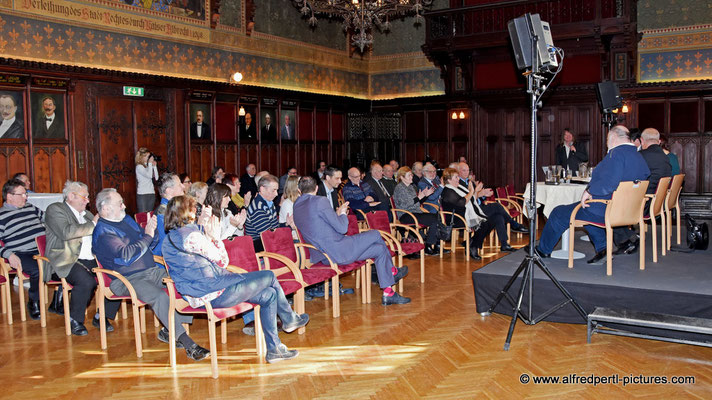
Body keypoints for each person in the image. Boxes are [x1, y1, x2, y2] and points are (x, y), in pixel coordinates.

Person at [161, 195, 308, 363]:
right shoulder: (192, 237)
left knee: (268, 294)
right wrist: (214, 237)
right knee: (269, 275)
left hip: (200, 293)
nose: (199, 213)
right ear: (189, 213)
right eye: (196, 210)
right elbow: (223, 262)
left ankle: (275, 349)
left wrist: (205, 232)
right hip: (213, 293)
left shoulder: (169, 239)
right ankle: (289, 318)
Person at [92, 188, 209, 361]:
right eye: (119, 203)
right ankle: (188, 344)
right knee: (159, 296)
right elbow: (126, 256)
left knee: (184, 280)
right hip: (125, 279)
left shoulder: (125, 219)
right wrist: (147, 236)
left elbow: (146, 242)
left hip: (150, 271)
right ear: (106, 208)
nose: (124, 205)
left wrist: (152, 233)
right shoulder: (103, 232)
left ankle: (168, 330)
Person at [532, 125, 651, 265]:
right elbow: (644, 176)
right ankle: (602, 249)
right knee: (586, 210)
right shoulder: (638, 156)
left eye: (607, 139)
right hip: (628, 210)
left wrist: (589, 191)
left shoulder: (616, 155)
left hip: (607, 209)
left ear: (613, 138)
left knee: (559, 212)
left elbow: (608, 184)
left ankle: (543, 250)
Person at [293, 176, 410, 305]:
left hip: (325, 255)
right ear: (316, 188)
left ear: (299, 190)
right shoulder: (321, 201)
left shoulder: (296, 205)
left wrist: (336, 216)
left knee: (380, 249)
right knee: (376, 234)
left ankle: (388, 294)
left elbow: (319, 227)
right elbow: (342, 228)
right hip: (340, 251)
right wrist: (343, 213)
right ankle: (392, 271)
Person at [44, 180, 121, 335]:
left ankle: (102, 315)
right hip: (65, 259)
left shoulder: (86, 214)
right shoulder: (55, 209)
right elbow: (66, 232)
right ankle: (75, 320)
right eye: (84, 197)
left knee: (120, 274)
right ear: (71, 196)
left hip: (91, 258)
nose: (87, 201)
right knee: (86, 281)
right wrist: (93, 224)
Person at [613, 127, 672, 255]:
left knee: (611, 205)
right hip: (657, 203)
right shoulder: (665, 157)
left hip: (644, 204)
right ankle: (629, 237)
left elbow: (625, 178)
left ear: (642, 141)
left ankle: (625, 240)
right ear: (658, 141)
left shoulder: (641, 156)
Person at [0, 179, 45, 319]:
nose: (26, 197)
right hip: (21, 253)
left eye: (26, 194)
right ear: (9, 196)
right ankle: (34, 302)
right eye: (22, 194)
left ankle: (58, 300)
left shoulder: (30, 207)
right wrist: (9, 255)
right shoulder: (1, 216)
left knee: (67, 262)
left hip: (42, 249)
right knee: (38, 269)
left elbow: (49, 219)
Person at [440, 168, 505, 260]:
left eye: (458, 177)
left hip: (466, 214)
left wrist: (474, 191)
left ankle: (471, 242)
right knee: (483, 223)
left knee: (496, 218)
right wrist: (471, 191)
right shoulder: (448, 191)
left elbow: (471, 199)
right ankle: (473, 246)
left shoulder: (458, 188)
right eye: (456, 177)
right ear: (449, 180)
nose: (458, 179)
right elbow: (462, 203)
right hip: (457, 219)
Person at [457, 162, 528, 238]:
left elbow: (475, 197)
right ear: (458, 171)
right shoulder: (458, 184)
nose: (466, 172)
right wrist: (478, 192)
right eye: (464, 170)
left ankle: (504, 245)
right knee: (496, 206)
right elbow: (467, 200)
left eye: (468, 170)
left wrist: (483, 194)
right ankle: (514, 224)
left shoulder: (469, 181)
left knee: (498, 217)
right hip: (472, 211)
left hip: (479, 206)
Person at [392, 167, 440, 255]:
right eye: (409, 175)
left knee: (436, 217)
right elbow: (405, 205)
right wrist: (419, 197)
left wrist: (425, 195)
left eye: (411, 175)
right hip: (405, 215)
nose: (412, 177)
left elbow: (416, 203)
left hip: (414, 213)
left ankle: (434, 243)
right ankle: (429, 244)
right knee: (434, 218)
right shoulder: (399, 188)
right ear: (402, 177)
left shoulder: (411, 187)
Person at [152, 173, 185, 257]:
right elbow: (168, 245)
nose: (183, 186)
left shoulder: (174, 208)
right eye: (179, 184)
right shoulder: (162, 214)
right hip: (167, 260)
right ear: (169, 191)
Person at [245, 174, 280, 252]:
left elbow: (275, 229)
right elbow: (268, 234)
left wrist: (286, 225)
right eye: (273, 190)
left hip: (268, 244)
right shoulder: (258, 208)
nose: (276, 194)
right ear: (262, 189)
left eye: (277, 190)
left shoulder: (269, 202)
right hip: (261, 248)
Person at [135, 148, 158, 213]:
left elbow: (156, 178)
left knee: (149, 214)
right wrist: (150, 164)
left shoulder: (149, 166)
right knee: (143, 215)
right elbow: (149, 175)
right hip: (142, 193)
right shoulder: (139, 167)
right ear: (142, 157)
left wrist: (154, 167)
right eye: (148, 156)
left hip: (151, 192)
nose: (149, 158)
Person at [279, 176, 301, 240]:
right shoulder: (287, 203)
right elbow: (292, 226)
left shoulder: (301, 200)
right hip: (292, 238)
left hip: (300, 235)